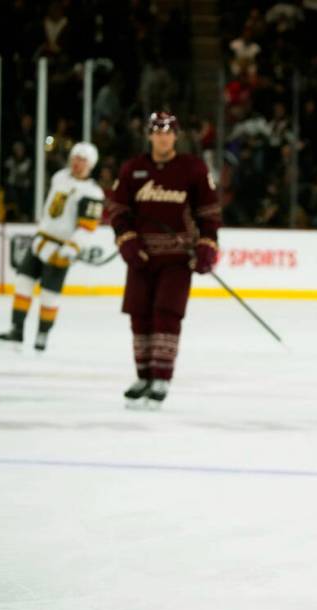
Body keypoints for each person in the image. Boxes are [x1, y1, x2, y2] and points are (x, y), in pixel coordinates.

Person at [104, 112, 221, 408]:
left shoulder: (192, 169)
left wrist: (207, 246)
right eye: (157, 131)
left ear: (176, 136)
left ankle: (161, 377)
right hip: (141, 257)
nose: (162, 136)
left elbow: (209, 213)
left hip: (177, 257)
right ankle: (143, 376)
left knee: (166, 314)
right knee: (139, 314)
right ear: (149, 135)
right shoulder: (133, 169)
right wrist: (126, 241)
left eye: (168, 132)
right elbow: (118, 211)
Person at [0, 142, 104, 352]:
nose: (77, 163)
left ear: (90, 164)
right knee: (23, 284)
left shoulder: (92, 192)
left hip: (60, 248)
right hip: (40, 241)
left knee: (49, 294)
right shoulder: (60, 177)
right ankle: (16, 330)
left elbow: (88, 227)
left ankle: (42, 334)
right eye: (75, 158)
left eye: (82, 160)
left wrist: (72, 247)